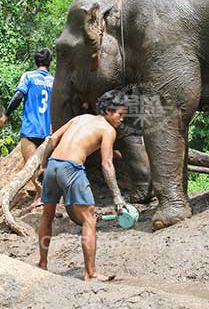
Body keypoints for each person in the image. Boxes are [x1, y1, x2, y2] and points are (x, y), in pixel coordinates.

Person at [37, 89, 128, 282]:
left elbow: (52, 139)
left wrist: (44, 166)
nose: (122, 119)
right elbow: (107, 163)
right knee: (89, 219)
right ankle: (90, 273)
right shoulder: (107, 130)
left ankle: (43, 263)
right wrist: (117, 197)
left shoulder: (80, 118)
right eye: (120, 115)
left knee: (47, 215)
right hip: (71, 167)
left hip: (53, 164)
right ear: (108, 112)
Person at [0, 47, 54, 208]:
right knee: (43, 166)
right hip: (46, 131)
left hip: (30, 129)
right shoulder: (53, 81)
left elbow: (18, 96)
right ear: (50, 63)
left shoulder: (29, 76)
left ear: (35, 61)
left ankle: (41, 195)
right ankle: (41, 195)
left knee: (30, 166)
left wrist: (6, 115)